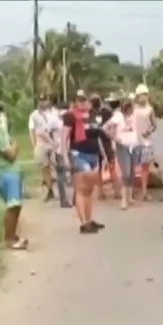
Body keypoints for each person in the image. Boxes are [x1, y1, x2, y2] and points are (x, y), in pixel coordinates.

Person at [0, 101, 28, 250]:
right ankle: (9, 238)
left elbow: (13, 147)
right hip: (5, 173)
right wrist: (15, 146)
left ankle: (13, 235)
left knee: (16, 205)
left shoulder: (0, 131)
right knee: (13, 205)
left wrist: (13, 146)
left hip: (11, 171)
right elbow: (12, 154)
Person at [62, 93, 106, 234]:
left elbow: (98, 136)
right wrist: (64, 156)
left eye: (84, 100)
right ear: (75, 102)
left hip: (93, 154)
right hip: (79, 153)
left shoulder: (92, 116)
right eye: (79, 101)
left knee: (89, 190)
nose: (82, 103)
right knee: (81, 189)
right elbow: (64, 137)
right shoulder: (71, 116)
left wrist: (103, 154)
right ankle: (83, 223)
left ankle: (89, 219)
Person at [104, 97, 139, 210]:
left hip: (133, 145)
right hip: (122, 146)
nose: (131, 110)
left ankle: (129, 197)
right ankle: (124, 200)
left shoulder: (134, 116)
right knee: (126, 173)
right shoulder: (118, 117)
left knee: (132, 172)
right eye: (129, 108)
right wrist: (114, 138)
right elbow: (105, 128)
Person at [89, 94, 121, 201]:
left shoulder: (106, 112)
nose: (95, 102)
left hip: (106, 142)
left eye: (96, 100)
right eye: (94, 101)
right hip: (94, 143)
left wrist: (113, 136)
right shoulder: (89, 113)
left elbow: (113, 125)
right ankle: (100, 192)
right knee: (98, 169)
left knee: (111, 166)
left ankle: (116, 191)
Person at [29, 94, 59, 202]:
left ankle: (60, 186)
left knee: (57, 165)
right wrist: (34, 146)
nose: (43, 103)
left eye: (45, 100)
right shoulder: (34, 115)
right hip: (41, 142)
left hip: (54, 140)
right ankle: (50, 190)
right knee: (45, 167)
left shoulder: (54, 112)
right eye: (41, 101)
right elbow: (31, 130)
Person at [132, 84, 157, 201]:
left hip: (146, 142)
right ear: (137, 96)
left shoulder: (150, 109)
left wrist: (148, 131)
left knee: (145, 167)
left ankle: (144, 192)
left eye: (146, 95)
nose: (144, 97)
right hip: (133, 142)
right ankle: (130, 191)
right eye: (142, 95)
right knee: (131, 167)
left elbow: (154, 125)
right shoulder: (132, 109)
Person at [48, 94, 72, 208]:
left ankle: (77, 197)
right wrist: (52, 148)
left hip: (71, 148)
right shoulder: (54, 121)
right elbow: (48, 134)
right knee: (61, 174)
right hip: (59, 150)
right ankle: (64, 200)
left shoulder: (70, 118)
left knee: (75, 172)